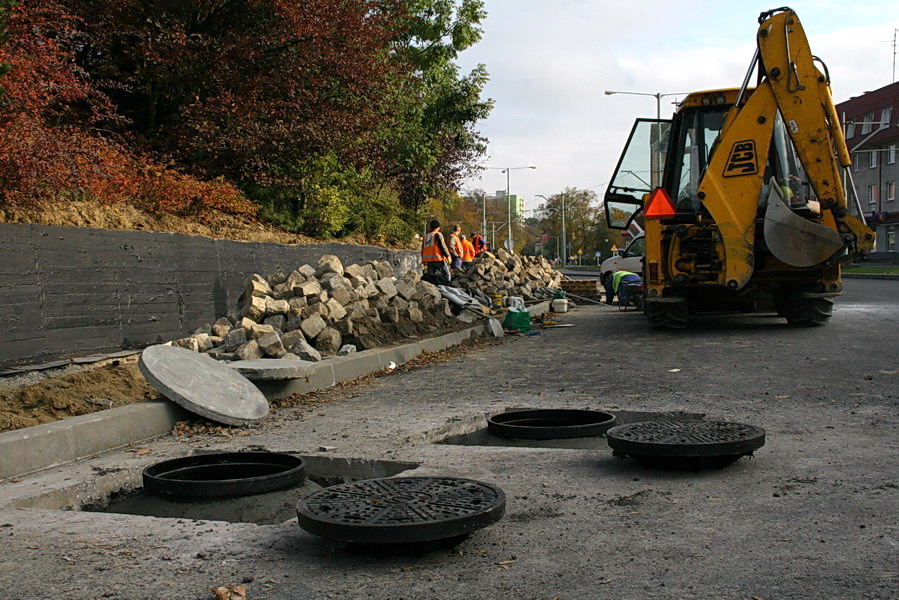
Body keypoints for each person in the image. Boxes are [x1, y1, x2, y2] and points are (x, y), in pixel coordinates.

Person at [421, 219, 452, 283]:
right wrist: (448, 256)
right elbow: (443, 246)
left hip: (429, 261)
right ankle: (448, 288)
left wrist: (423, 261)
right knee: (446, 275)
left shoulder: (426, 236)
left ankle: (433, 290)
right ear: (438, 227)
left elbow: (423, 249)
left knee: (431, 277)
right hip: (438, 259)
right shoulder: (438, 234)